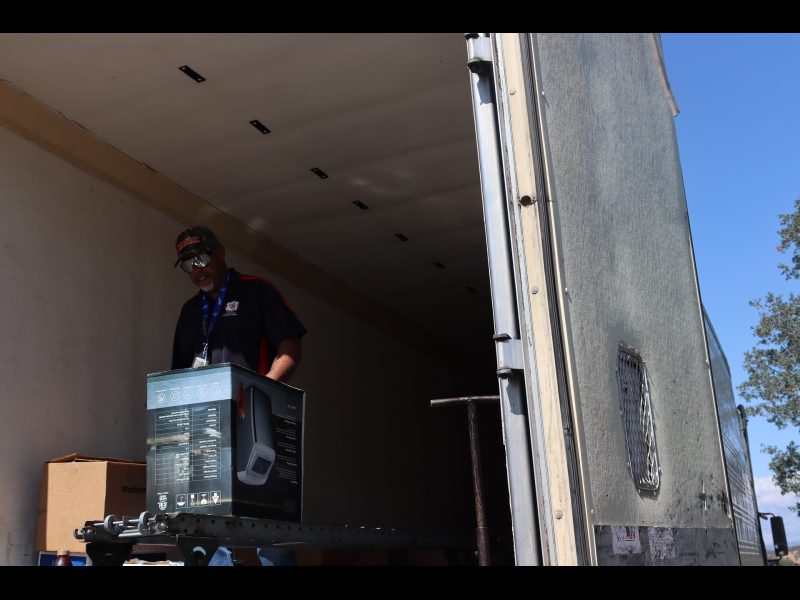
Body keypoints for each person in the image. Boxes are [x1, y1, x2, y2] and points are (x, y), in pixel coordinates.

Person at [171, 225, 306, 566]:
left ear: (221, 253)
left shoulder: (257, 292)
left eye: (201, 258)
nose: (196, 270)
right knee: (207, 532)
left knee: (269, 527)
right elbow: (178, 376)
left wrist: (264, 389)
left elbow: (290, 346)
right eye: (187, 265)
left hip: (253, 423)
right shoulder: (190, 312)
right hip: (205, 433)